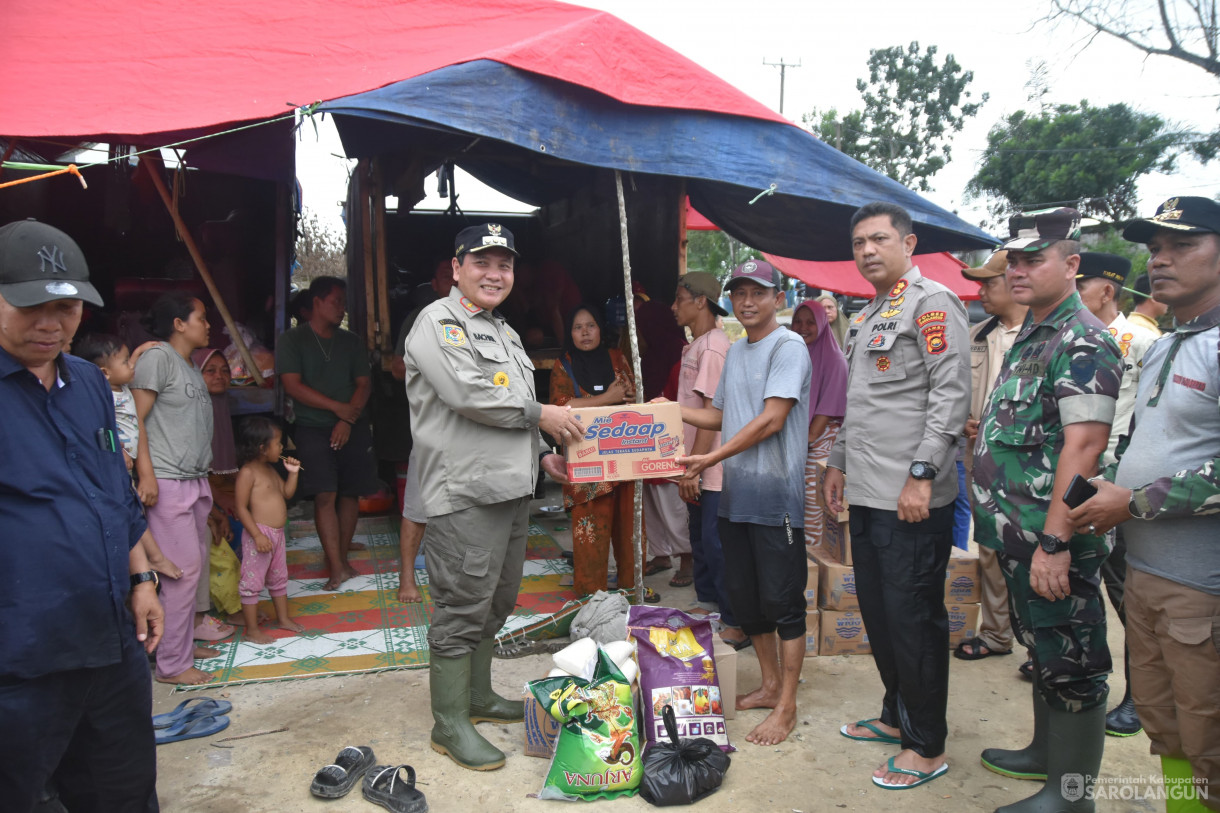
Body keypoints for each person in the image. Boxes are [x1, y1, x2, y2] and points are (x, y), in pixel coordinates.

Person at [0, 219, 164, 811]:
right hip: (21, 655)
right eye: (30, 307)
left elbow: (111, 491)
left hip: (109, 638)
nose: (51, 323)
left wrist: (141, 577)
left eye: (66, 307)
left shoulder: (89, 383)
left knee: (121, 789)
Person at [403, 223, 580, 771]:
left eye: (503, 264)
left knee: (496, 602)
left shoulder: (505, 332)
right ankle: (449, 722)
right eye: (481, 262)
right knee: (460, 608)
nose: (494, 273)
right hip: (466, 493)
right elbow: (468, 396)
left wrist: (542, 456)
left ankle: (477, 698)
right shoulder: (439, 322)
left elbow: (510, 417)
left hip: (511, 490)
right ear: (456, 268)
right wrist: (541, 415)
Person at [1068, 195, 1220, 810]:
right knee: (1168, 730)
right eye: (1155, 248)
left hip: (1203, 591)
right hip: (1147, 578)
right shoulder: (1161, 346)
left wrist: (1134, 502)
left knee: (1212, 742)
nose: (1161, 260)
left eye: (1183, 246)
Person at [972, 208, 1122, 812]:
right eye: (1015, 261)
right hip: (1021, 538)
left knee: (1075, 667)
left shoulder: (1082, 337)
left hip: (1053, 539)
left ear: (1072, 264)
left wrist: (1056, 543)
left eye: (1036, 259)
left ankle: (1071, 794)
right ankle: (1044, 754)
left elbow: (1083, 448)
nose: (1020, 271)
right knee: (1044, 651)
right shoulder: (1036, 332)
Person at [823, 202, 970, 790]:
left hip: (911, 496)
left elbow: (950, 393)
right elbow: (865, 403)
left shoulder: (933, 304)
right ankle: (897, 715)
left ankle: (927, 746)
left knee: (914, 620)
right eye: (858, 242)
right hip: (869, 491)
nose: (866, 251)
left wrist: (922, 472)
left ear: (908, 243)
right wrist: (836, 463)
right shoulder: (871, 312)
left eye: (879, 239)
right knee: (882, 615)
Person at [677, 259, 812, 747]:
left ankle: (788, 704)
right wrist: (664, 415)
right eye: (740, 293)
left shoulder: (788, 347)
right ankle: (770, 683)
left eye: (759, 292)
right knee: (750, 602)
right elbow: (719, 415)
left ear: (778, 298)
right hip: (734, 496)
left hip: (776, 497)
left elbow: (772, 419)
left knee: (784, 602)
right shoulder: (734, 353)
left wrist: (711, 457)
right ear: (730, 300)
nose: (748, 301)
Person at [1075, 251, 1159, 738]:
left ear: (1107, 291)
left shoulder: (1143, 341)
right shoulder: (1084, 337)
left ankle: (1141, 699)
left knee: (1131, 596)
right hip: (1091, 480)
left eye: (1081, 285)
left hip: (1127, 487)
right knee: (1101, 584)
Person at [132, 292, 221, 686]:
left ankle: (180, 646)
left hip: (193, 480)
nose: (208, 325)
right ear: (178, 324)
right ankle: (171, 665)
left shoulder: (187, 365)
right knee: (179, 575)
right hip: (167, 481)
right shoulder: (159, 358)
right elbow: (134, 420)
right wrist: (146, 475)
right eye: (201, 318)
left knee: (190, 571)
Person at [278, 276, 379, 590]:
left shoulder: (351, 341)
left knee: (349, 492)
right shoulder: (292, 340)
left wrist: (347, 420)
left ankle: (342, 558)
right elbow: (292, 385)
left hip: (351, 425)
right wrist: (338, 410)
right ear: (317, 302)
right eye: (336, 301)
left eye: (344, 302)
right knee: (325, 494)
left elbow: (364, 384)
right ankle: (335, 566)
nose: (341, 308)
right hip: (312, 427)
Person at [955, 250, 1027, 662]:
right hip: (979, 459)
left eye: (988, 283)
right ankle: (997, 634)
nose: (980, 291)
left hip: (1028, 466)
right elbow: (959, 390)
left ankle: (1040, 640)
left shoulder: (1042, 334)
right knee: (989, 546)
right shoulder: (977, 335)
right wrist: (965, 419)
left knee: (1033, 550)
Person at [549, 304, 648, 597]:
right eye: (578, 327)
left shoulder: (617, 359)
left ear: (600, 329)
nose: (585, 333)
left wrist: (615, 400)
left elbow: (632, 396)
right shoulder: (563, 365)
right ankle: (590, 598)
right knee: (589, 535)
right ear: (570, 333)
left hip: (624, 459)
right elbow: (559, 408)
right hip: (587, 466)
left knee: (631, 531)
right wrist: (608, 398)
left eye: (590, 325)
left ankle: (633, 592)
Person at [671, 271, 747, 649]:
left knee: (717, 545)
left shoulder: (714, 347)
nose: (674, 307)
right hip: (697, 464)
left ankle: (734, 619)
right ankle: (710, 605)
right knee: (700, 538)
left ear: (700, 301)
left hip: (711, 469)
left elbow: (711, 413)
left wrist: (696, 467)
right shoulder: (697, 344)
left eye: (679, 299)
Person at [74, 333, 184, 580]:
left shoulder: (119, 386)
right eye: (126, 362)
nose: (132, 366)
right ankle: (154, 558)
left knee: (132, 507)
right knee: (129, 508)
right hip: (113, 464)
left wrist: (138, 351)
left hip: (125, 466)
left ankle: (146, 561)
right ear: (104, 372)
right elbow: (103, 426)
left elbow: (120, 369)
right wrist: (120, 451)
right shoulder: (101, 395)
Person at [390, 261, 456, 605]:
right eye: (446, 275)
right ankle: (407, 578)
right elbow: (397, 366)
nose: (454, 281)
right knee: (417, 508)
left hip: (471, 432)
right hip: (433, 429)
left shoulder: (481, 318)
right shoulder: (421, 318)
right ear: (434, 282)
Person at [233, 416, 306, 644]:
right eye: (278, 443)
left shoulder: (270, 469)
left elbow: (286, 493)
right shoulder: (248, 473)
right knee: (252, 583)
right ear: (262, 448)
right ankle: (252, 630)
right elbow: (240, 508)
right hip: (260, 536)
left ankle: (283, 618)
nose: (282, 447)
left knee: (279, 578)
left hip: (277, 536)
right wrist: (256, 534)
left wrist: (293, 473)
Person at [790, 299, 848, 549]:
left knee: (813, 508)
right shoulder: (793, 355)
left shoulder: (835, 359)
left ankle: (812, 568)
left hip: (819, 443)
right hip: (797, 441)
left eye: (810, 322)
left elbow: (825, 413)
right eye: (797, 321)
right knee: (795, 509)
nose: (803, 327)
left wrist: (801, 442)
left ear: (822, 324)